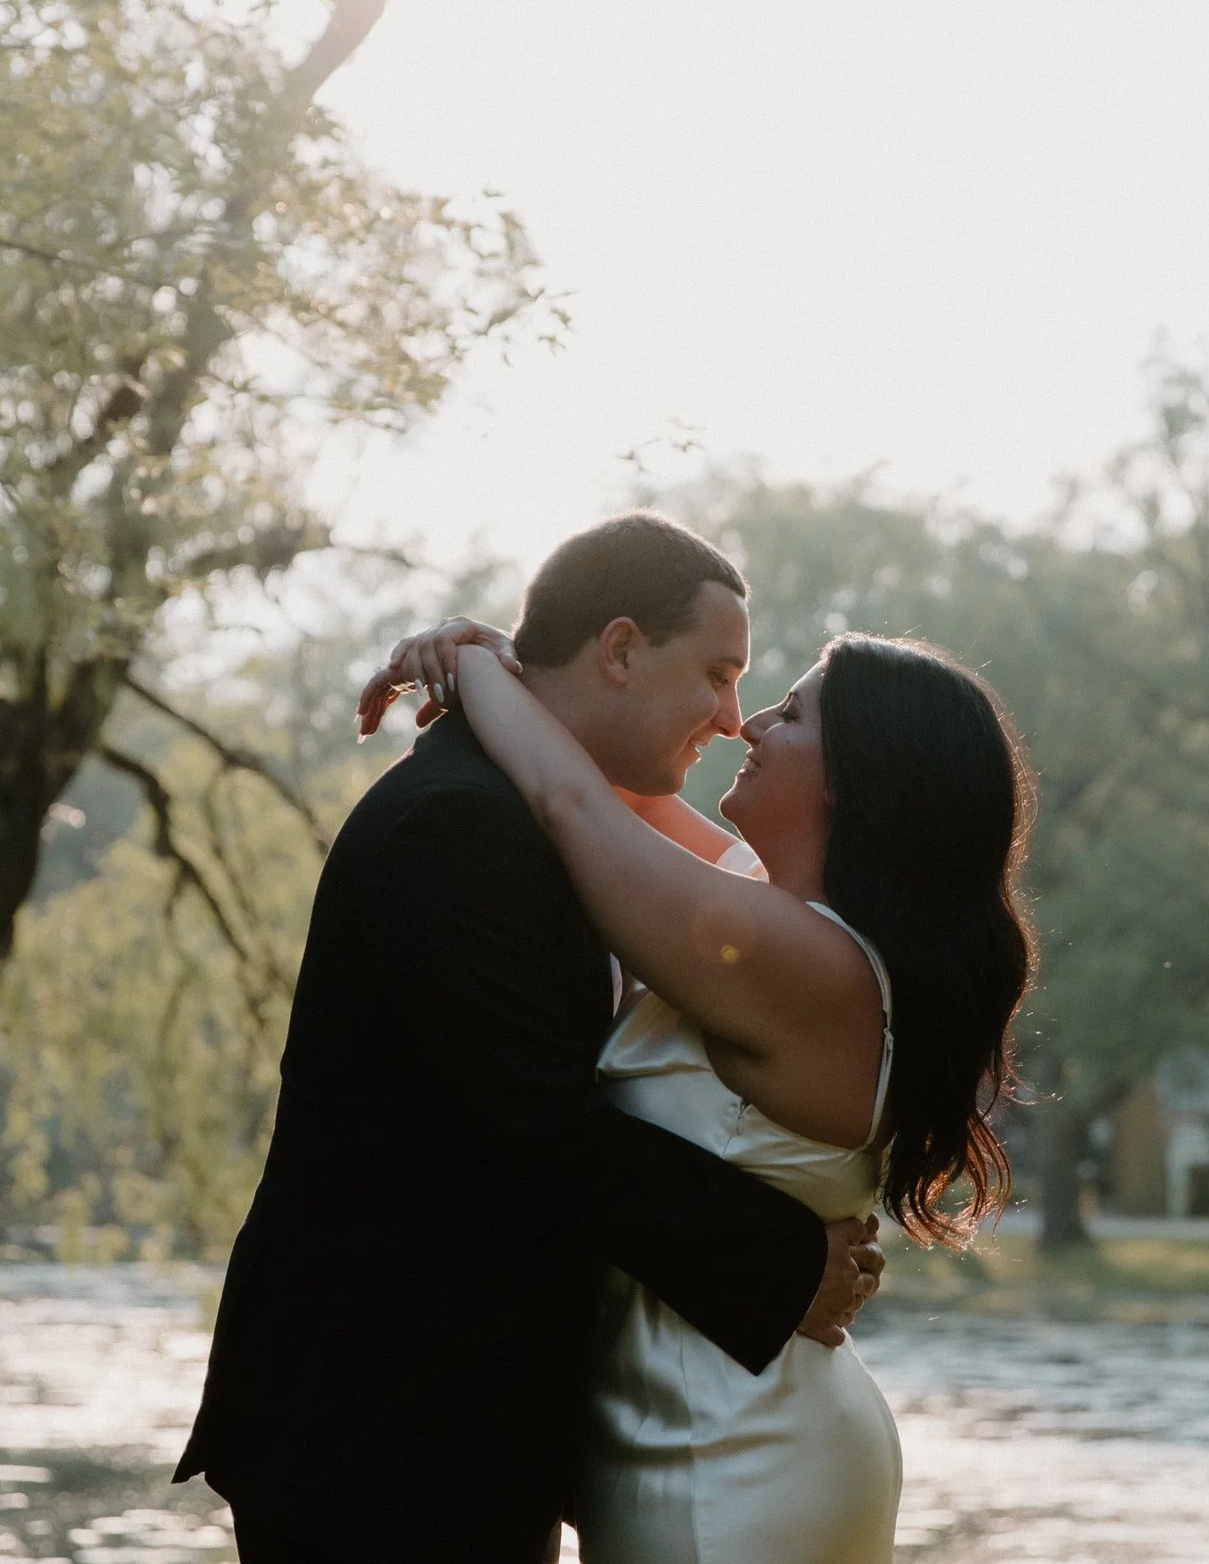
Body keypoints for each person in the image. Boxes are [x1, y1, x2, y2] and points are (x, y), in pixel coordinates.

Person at [172, 515, 886, 1564]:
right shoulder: (455, 825)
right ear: (621, 647)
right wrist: (779, 1261)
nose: (732, 715)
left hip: (471, 1422)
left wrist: (480, 661)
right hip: (382, 1428)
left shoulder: (555, 826)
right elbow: (536, 1125)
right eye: (717, 671)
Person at [360, 585, 1038, 1564]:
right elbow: (613, 784)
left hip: (727, 1458)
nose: (747, 720)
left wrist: (467, 658)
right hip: (722, 1421)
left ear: (855, 778)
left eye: (791, 710)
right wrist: (521, 663)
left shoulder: (798, 961)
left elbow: (570, 802)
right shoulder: (767, 915)